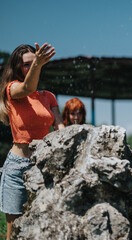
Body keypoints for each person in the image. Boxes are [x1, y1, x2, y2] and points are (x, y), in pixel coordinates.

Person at [0, 43, 64, 240]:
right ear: (17, 67)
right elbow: (28, 86)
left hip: (43, 167)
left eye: (34, 63)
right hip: (17, 169)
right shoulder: (12, 90)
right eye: (27, 64)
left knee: (46, 227)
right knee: (15, 231)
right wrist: (37, 64)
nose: (31, 66)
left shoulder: (48, 97)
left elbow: (60, 128)